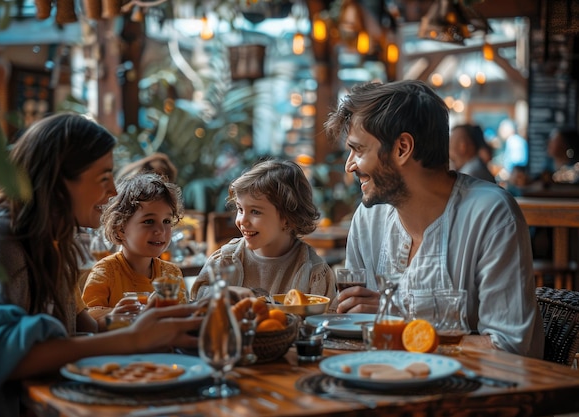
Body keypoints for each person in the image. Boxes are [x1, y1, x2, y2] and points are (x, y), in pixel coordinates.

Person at [0, 113, 202, 417]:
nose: (112, 191)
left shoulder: (53, 240)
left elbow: (77, 332)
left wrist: (130, 325)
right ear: (58, 180)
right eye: (103, 178)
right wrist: (132, 339)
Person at [323, 80, 544, 358]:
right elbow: (357, 330)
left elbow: (508, 347)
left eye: (359, 150)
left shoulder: (491, 215)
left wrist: (400, 323)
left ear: (402, 148)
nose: (349, 165)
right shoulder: (368, 218)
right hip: (382, 382)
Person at [190, 159, 336, 302]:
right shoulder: (225, 260)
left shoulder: (315, 273)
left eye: (255, 211)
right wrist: (224, 292)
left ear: (287, 218)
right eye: (240, 209)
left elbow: (325, 321)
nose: (242, 220)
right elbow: (197, 299)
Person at [82, 171, 188, 324]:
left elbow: (181, 316)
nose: (160, 230)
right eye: (149, 221)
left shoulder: (172, 274)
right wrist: (117, 315)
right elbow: (89, 317)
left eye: (166, 221)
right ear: (121, 229)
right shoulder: (106, 271)